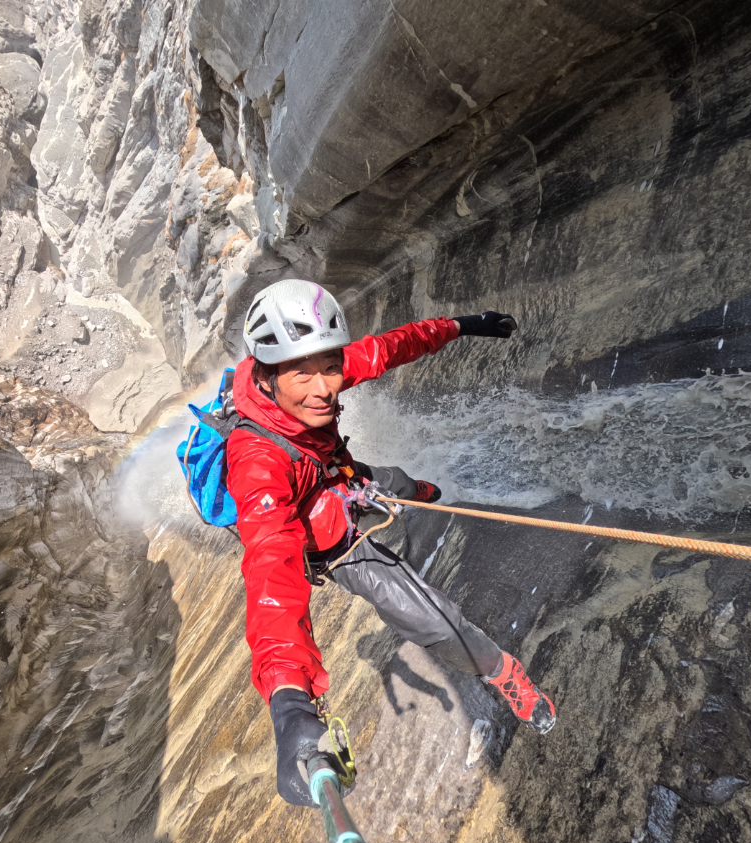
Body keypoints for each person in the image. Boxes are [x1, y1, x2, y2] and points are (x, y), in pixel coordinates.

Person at [225, 279, 555, 807]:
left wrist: (464, 326)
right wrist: (290, 704)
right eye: (302, 374)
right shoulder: (256, 462)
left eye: (330, 367)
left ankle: (417, 493)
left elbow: (392, 347)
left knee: (397, 482)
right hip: (326, 536)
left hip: (336, 476)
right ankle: (503, 672)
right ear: (266, 375)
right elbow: (271, 572)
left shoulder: (311, 373)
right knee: (430, 619)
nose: (323, 388)